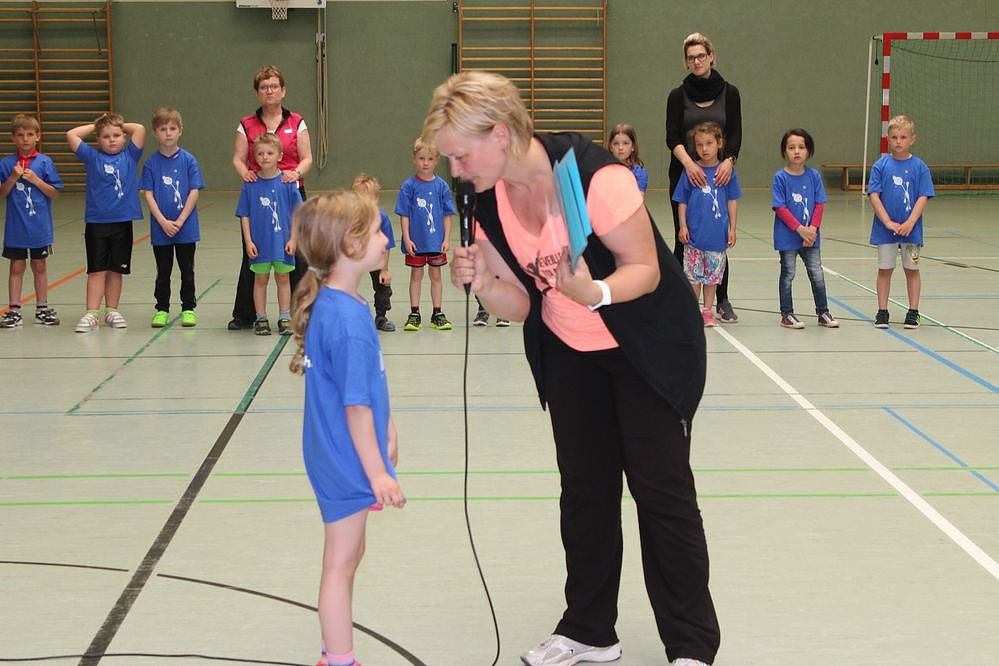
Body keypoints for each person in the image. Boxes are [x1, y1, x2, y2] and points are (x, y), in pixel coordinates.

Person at [427, 71, 719, 666]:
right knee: (585, 492)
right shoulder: (483, 199)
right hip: (568, 352)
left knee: (661, 494)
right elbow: (521, 303)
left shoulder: (594, 176)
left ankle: (691, 644)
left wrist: (596, 293)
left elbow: (646, 270)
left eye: (460, 155)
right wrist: (482, 283)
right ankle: (589, 629)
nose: (454, 169)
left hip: (645, 346)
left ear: (500, 135)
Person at [288, 191, 405, 666]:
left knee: (351, 555)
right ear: (351, 245)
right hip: (346, 458)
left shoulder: (343, 302)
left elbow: (364, 386)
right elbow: (355, 407)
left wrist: (387, 424)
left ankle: (332, 649)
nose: (385, 240)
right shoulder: (348, 320)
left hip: (340, 450)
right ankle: (339, 659)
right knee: (339, 564)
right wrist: (377, 473)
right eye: (377, 232)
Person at [229, 64, 313, 331]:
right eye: (264, 87)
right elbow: (238, 158)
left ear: (283, 90)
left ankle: (300, 312)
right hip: (259, 194)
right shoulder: (246, 124)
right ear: (257, 93)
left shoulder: (296, 121)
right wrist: (245, 173)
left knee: (296, 255)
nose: (269, 91)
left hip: (289, 192)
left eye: (274, 86)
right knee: (254, 256)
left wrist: (295, 173)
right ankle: (247, 314)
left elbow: (307, 157)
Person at [666, 32, 742, 324]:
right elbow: (672, 135)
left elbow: (735, 133)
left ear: (711, 57)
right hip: (686, 174)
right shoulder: (677, 95)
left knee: (716, 237)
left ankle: (721, 300)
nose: (696, 61)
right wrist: (688, 164)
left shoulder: (730, 93)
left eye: (701, 55)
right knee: (685, 236)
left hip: (719, 174)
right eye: (691, 57)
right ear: (686, 62)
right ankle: (682, 301)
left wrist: (729, 162)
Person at [66, 113, 145, 333]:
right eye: (106, 136)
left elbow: (139, 128)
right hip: (97, 223)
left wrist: (115, 123)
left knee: (116, 270)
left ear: (124, 137)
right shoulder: (92, 157)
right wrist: (97, 125)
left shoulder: (130, 155)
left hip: (122, 223)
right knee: (96, 270)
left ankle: (112, 310)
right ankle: (92, 313)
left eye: (116, 135)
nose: (112, 140)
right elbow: (71, 135)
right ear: (98, 139)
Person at [868, 114, 934, 329]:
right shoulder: (881, 165)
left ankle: (913, 312)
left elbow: (923, 196)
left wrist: (910, 222)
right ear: (888, 138)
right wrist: (887, 222)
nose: (898, 142)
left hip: (911, 232)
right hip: (885, 231)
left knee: (912, 270)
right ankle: (882, 311)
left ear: (912, 139)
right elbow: (874, 195)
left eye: (903, 137)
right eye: (894, 137)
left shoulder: (920, 167)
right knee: (884, 269)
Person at [140, 107, 204, 328]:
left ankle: (188, 308)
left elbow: (194, 191)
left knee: (187, 270)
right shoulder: (151, 163)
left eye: (172, 128)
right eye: (163, 129)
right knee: (163, 271)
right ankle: (162, 309)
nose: (168, 133)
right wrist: (162, 221)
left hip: (186, 228)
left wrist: (181, 220)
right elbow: (148, 194)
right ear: (155, 132)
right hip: (161, 229)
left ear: (180, 131)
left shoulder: (189, 161)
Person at [673, 121, 740, 328]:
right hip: (694, 237)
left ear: (719, 143)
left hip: (717, 237)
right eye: (700, 144)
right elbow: (682, 201)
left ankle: (708, 310)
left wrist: (732, 228)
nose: (704, 149)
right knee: (693, 277)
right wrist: (683, 226)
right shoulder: (690, 172)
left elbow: (732, 201)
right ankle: (693, 311)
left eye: (709, 143)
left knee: (712, 279)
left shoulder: (726, 173)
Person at [235, 132, 302, 336]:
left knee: (283, 278)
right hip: (260, 243)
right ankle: (261, 318)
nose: (265, 157)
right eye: (260, 153)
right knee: (260, 280)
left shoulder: (288, 183)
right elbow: (244, 215)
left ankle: (284, 317)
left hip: (282, 243)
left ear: (280, 156)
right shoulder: (250, 185)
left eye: (270, 153)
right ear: (255, 156)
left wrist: (293, 239)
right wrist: (248, 241)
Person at [772, 128, 839, 330]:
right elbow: (780, 207)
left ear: (808, 150)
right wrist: (800, 229)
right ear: (785, 151)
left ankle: (823, 312)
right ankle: (787, 314)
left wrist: (813, 230)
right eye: (791, 147)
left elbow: (820, 204)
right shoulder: (780, 178)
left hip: (811, 237)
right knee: (788, 273)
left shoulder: (814, 176)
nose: (796, 151)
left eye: (801, 147)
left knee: (816, 272)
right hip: (788, 237)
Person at [0, 113, 63, 328]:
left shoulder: (45, 162)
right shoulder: (6, 163)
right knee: (16, 267)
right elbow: (2, 193)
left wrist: (36, 180)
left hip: (40, 228)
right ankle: (14, 310)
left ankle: (42, 308)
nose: (25, 139)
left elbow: (54, 192)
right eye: (20, 135)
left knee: (39, 265)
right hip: (16, 229)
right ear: (13, 138)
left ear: (38, 136)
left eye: (29, 134)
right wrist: (12, 178)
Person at [351, 172, 396, 332]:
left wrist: (384, 269)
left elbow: (386, 246)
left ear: (375, 198)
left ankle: (381, 316)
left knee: (383, 284)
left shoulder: (381, 218)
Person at [607, 122, 648, 194]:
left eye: (625, 143)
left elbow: (638, 198)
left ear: (633, 146)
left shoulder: (639, 173)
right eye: (616, 144)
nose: (620, 148)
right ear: (611, 147)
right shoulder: (604, 171)